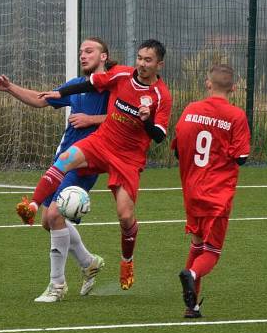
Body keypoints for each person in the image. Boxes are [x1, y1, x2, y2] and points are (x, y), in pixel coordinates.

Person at [19, 39, 172, 290]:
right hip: (102, 142)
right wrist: (60, 93)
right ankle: (32, 205)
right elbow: (90, 82)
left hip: (128, 158)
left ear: (159, 64)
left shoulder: (160, 96)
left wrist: (146, 120)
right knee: (65, 159)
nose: (142, 64)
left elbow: (159, 135)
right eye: (140, 58)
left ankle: (127, 261)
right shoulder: (122, 75)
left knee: (125, 216)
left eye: (148, 60)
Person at [0, 37, 112, 302]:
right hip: (62, 161)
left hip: (86, 163)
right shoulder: (76, 86)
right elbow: (42, 99)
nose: (83, 56)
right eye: (81, 51)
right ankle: (89, 262)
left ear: (104, 56)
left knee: (55, 214)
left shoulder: (111, 86)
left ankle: (57, 286)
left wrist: (92, 119)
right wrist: (10, 87)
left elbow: (125, 116)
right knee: (49, 221)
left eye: (89, 51)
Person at [171, 64, 251, 318]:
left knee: (197, 244)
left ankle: (191, 306)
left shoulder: (191, 110)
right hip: (217, 194)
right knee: (212, 253)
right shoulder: (236, 115)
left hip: (192, 190)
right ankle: (192, 274)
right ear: (234, 88)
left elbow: (177, 148)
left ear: (208, 84)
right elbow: (241, 157)